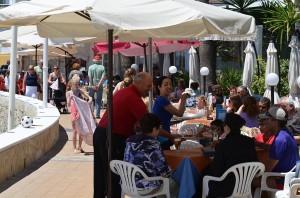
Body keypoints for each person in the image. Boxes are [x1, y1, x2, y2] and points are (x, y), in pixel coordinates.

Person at [93, 72, 179, 198]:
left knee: (101, 173)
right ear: (139, 83)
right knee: (114, 177)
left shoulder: (122, 92)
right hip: (111, 136)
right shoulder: (133, 98)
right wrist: (171, 137)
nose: (150, 89)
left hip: (101, 132)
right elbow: (150, 124)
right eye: (148, 86)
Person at [123, 113, 179, 196]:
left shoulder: (130, 141)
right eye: (159, 128)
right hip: (144, 186)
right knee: (176, 183)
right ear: (154, 129)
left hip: (127, 183)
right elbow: (165, 172)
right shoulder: (152, 144)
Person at [206, 113, 258, 197]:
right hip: (246, 186)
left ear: (226, 127)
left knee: (204, 176)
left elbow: (216, 171)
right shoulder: (250, 142)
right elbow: (255, 162)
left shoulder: (222, 145)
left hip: (226, 188)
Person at [257, 106, 299, 188]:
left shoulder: (279, 140)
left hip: (282, 181)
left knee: (248, 181)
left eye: (267, 119)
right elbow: (273, 148)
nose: (265, 122)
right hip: (290, 177)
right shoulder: (285, 132)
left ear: (275, 122)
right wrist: (258, 144)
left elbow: (267, 170)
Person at [153, 76, 189, 150]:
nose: (169, 86)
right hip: (162, 139)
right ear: (159, 87)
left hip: (165, 137)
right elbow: (180, 113)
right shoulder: (162, 100)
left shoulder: (162, 100)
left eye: (170, 84)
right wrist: (183, 98)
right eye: (166, 85)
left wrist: (177, 121)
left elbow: (163, 122)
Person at [66, 75, 92, 154]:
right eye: (75, 84)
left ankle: (79, 147)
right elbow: (69, 105)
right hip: (74, 114)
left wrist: (90, 99)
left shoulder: (79, 91)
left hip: (81, 113)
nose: (77, 86)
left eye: (78, 84)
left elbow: (89, 97)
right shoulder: (69, 93)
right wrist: (70, 99)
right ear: (71, 84)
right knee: (74, 131)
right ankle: (74, 148)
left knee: (81, 130)